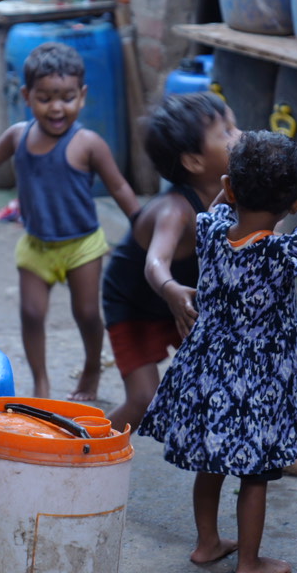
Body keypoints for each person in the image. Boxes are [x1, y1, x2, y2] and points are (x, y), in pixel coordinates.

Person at [137, 130, 297, 573]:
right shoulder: (283, 252)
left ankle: (207, 543)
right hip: (261, 382)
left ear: (230, 188)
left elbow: (217, 207)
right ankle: (249, 562)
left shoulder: (211, 230)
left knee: (212, 461)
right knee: (255, 473)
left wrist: (228, 187)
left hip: (209, 370)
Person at [0, 42, 140, 401]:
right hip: (37, 245)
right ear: (27, 96)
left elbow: (119, 187)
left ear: (82, 96)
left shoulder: (88, 143)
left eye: (67, 98)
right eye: (45, 98)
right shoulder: (18, 136)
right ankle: (41, 382)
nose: (57, 107)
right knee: (31, 313)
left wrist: (142, 224)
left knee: (87, 313)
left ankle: (91, 368)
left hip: (82, 245)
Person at [101, 92, 240, 432]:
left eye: (235, 127)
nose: (241, 136)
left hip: (184, 302)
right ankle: (81, 445)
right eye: (227, 132)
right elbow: (155, 261)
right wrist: (170, 288)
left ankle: (245, 447)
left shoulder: (235, 193)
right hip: (134, 306)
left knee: (229, 374)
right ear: (194, 161)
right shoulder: (174, 209)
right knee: (143, 400)